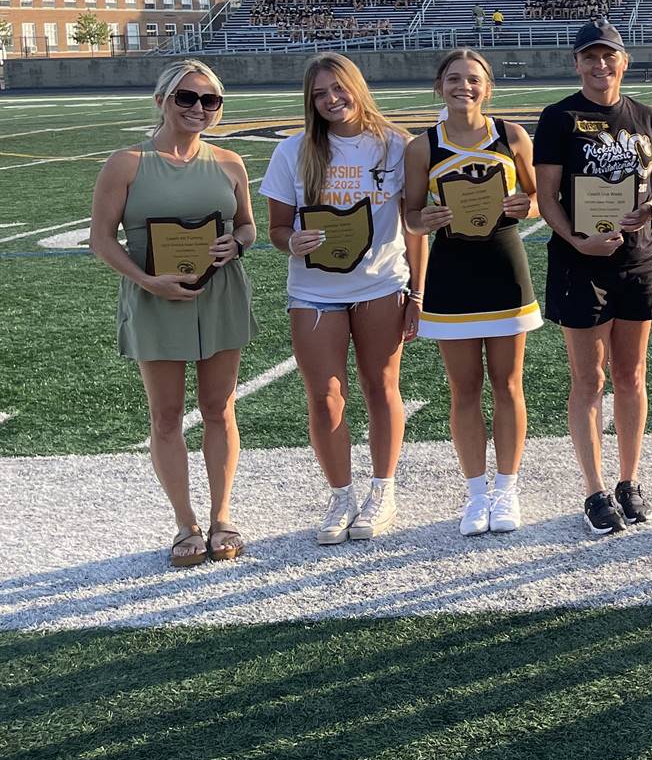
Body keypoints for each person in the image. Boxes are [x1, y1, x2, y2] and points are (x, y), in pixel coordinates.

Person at [88, 60, 258, 567]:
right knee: (165, 415)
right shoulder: (128, 162)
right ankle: (185, 524)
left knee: (219, 408)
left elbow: (248, 226)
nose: (198, 109)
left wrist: (236, 244)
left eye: (210, 100)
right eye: (187, 98)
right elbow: (101, 240)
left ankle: (222, 515)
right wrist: (146, 280)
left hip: (221, 295)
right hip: (154, 297)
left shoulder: (229, 162)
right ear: (162, 100)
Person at [263, 53, 425, 544]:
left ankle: (383, 489)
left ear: (356, 86)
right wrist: (290, 241)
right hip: (314, 289)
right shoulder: (293, 151)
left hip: (381, 284)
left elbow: (414, 227)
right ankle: (340, 494)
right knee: (325, 396)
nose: (331, 100)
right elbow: (275, 227)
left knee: (381, 387)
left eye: (338, 88)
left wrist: (418, 291)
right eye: (319, 94)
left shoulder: (396, 145)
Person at [404, 49, 542, 537]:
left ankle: (507, 488)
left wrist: (527, 205)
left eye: (475, 79)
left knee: (508, 384)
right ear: (439, 85)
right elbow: (411, 217)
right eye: (455, 78)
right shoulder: (423, 147)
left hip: (504, 267)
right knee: (463, 388)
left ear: (489, 88)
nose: (465, 86)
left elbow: (538, 198)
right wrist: (427, 219)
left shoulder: (512, 135)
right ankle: (477, 492)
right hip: (452, 273)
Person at [532, 20, 652, 537]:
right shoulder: (558, 117)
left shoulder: (648, 117)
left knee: (632, 376)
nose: (600, 65)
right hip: (580, 262)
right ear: (577, 63)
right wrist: (575, 239)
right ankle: (594, 489)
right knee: (589, 379)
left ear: (623, 62)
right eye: (590, 57)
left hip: (637, 259)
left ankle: (629, 481)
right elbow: (546, 198)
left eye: (609, 56)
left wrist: (646, 210)